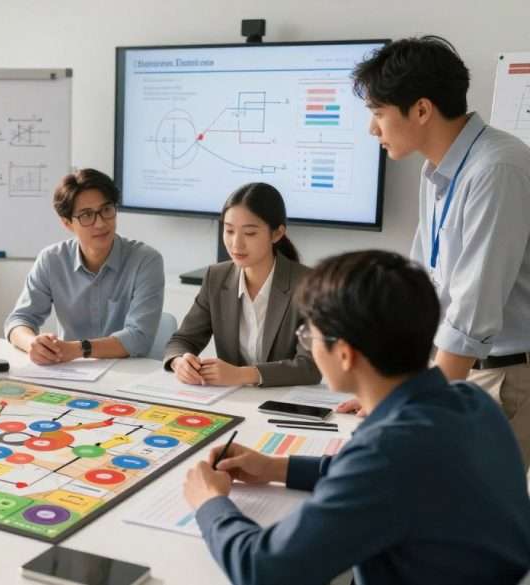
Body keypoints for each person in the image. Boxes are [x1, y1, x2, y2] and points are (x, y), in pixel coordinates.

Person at [183, 250, 530, 585]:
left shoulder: (389, 453)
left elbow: (263, 569)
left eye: (309, 336)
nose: (308, 345)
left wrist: (210, 502)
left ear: (345, 354)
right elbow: (367, 475)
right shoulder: (470, 401)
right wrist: (276, 467)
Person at [345, 36, 530, 466]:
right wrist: (392, 388)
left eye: (378, 113)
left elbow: (471, 310)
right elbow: (422, 287)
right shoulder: (438, 170)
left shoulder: (496, 168)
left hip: (503, 375)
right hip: (463, 368)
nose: (372, 129)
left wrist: (408, 406)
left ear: (422, 109)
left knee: (470, 516)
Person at [163, 183, 319, 387]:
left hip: (284, 401)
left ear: (277, 233)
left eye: (250, 233)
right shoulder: (216, 278)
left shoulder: (309, 285)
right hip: (231, 400)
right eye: (229, 231)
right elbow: (183, 340)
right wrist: (179, 361)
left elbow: (310, 367)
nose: (236, 244)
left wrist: (243, 375)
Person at [4, 168, 164, 363]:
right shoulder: (52, 260)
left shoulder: (145, 261)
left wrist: (77, 349)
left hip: (126, 373)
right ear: (67, 223)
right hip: (70, 372)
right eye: (87, 215)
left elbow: (139, 338)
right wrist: (33, 344)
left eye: (106, 210)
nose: (100, 223)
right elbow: (19, 320)